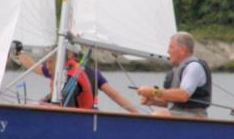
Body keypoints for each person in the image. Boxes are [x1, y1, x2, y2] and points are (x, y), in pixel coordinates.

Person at [11, 42, 140, 114]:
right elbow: (114, 95)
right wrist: (137, 114)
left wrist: (19, 55)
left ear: (69, 55)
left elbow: (37, 68)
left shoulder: (65, 72)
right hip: (87, 115)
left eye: (50, 61)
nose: (47, 65)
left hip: (77, 118)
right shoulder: (60, 69)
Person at [137, 31, 212, 118]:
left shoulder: (194, 67)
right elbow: (174, 102)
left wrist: (154, 92)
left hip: (196, 116)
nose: (168, 51)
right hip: (179, 115)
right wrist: (153, 101)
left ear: (182, 50)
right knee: (156, 115)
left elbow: (183, 95)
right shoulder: (176, 70)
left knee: (157, 115)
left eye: (171, 47)